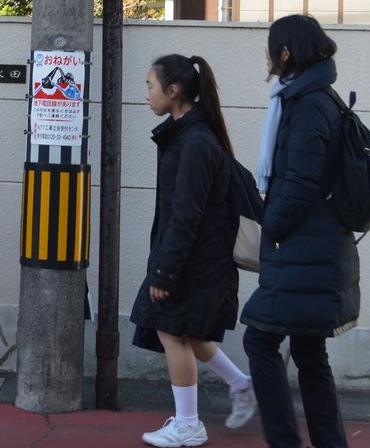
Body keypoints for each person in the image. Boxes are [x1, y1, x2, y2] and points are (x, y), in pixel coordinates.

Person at [242, 15, 357, 448]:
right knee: (309, 351)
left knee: (260, 340)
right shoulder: (314, 96)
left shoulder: (307, 105)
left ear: (286, 52)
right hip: (315, 248)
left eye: (271, 46)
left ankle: (284, 441)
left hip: (303, 249)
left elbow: (300, 185)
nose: (266, 54)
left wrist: (270, 227)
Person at [131, 54, 257, 448]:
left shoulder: (195, 142)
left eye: (150, 86)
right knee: (190, 333)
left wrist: (165, 273)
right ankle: (241, 384)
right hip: (198, 258)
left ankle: (189, 424)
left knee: (173, 332)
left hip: (197, 261)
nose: (146, 94)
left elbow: (186, 214)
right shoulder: (189, 136)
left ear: (173, 91)